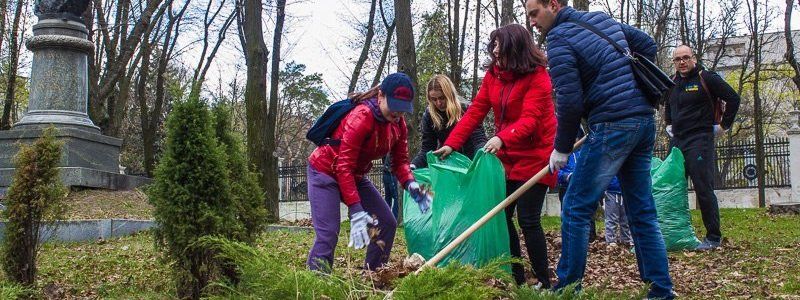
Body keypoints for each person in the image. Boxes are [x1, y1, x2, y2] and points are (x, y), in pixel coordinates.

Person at [526, 0, 674, 298]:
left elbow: (569, 102)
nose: (532, 22)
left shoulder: (559, 37)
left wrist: (562, 148)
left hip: (613, 124)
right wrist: (624, 81)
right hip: (643, 120)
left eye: (534, 13)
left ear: (553, 5)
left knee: (577, 206)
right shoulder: (600, 19)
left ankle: (567, 288)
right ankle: (660, 290)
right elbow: (647, 44)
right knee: (642, 210)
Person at [433, 24, 557, 288]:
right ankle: (517, 277)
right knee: (502, 216)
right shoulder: (494, 76)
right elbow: (476, 111)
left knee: (528, 218)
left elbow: (531, 120)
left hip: (537, 157)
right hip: (509, 158)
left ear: (517, 49)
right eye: (494, 49)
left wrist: (502, 137)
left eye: (500, 49)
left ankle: (544, 282)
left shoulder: (539, 77)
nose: (496, 53)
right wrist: (452, 144)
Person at [306, 73, 431, 272]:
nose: (398, 114)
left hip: (354, 176)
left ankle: (374, 275)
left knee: (387, 222)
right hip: (325, 172)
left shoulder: (398, 125)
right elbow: (343, 166)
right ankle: (315, 282)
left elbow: (400, 162)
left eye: (403, 109)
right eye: (394, 106)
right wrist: (356, 210)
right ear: (380, 96)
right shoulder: (361, 117)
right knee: (329, 232)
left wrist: (411, 184)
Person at [664, 45, 741, 251]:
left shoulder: (707, 78)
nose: (682, 62)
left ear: (693, 58)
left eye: (686, 58)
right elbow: (668, 104)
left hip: (700, 139)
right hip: (677, 141)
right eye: (678, 59)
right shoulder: (672, 82)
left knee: (703, 188)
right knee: (671, 186)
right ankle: (673, 234)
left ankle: (713, 237)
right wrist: (668, 123)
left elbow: (733, 98)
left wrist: (724, 125)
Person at [411, 74, 488, 169]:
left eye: (442, 98)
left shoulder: (466, 109)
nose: (438, 103)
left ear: (449, 94)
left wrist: (481, 160)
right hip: (449, 166)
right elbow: (427, 149)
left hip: (472, 163)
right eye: (434, 99)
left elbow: (479, 140)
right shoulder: (429, 115)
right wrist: (413, 165)